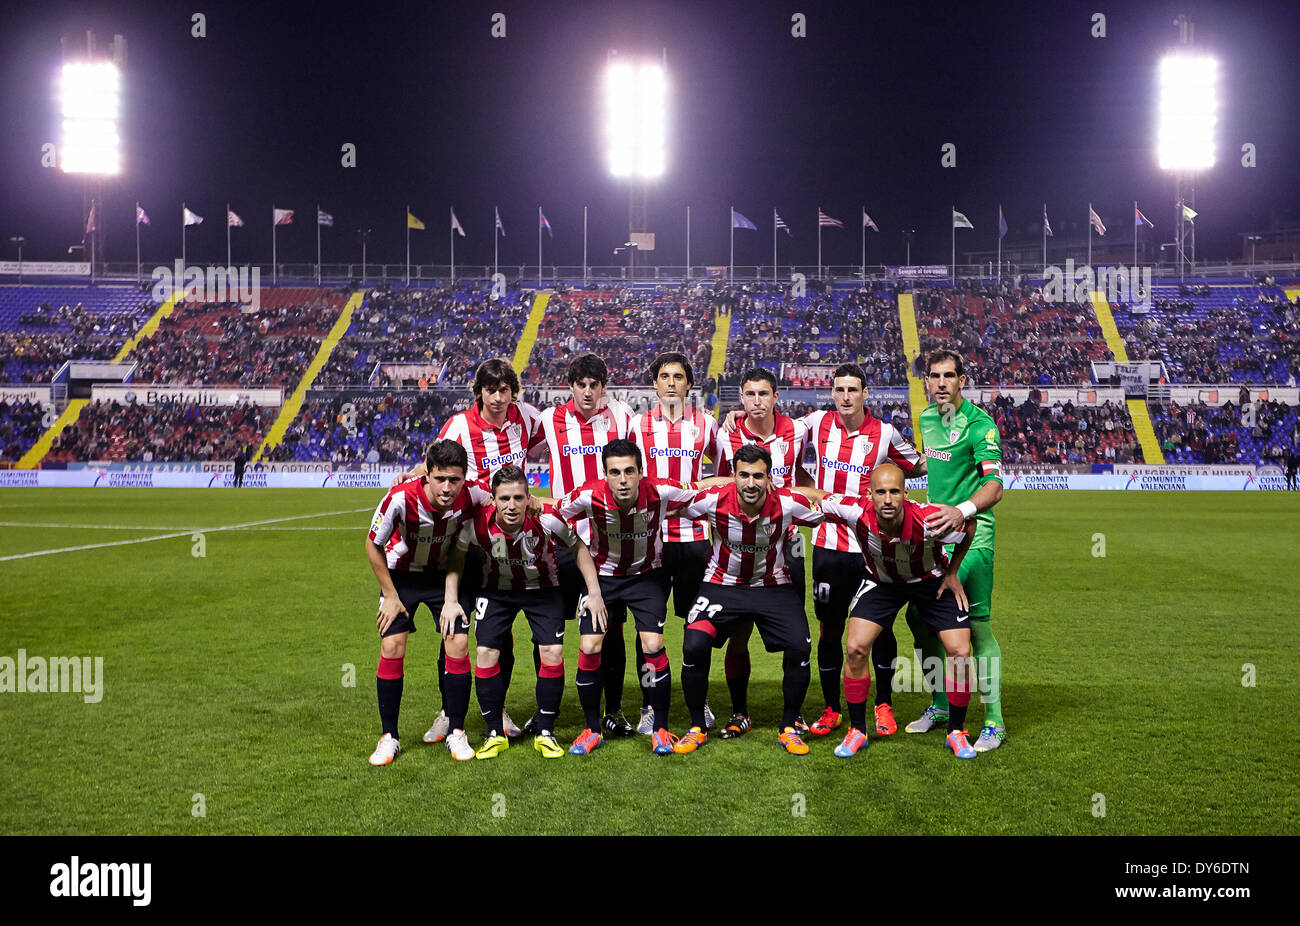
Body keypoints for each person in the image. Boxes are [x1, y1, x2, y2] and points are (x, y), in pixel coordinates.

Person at [404, 358, 545, 743]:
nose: (498, 398)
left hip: (506, 538)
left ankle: (496, 706)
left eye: (504, 390)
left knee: (501, 630)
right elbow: (435, 463)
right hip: (465, 538)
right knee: (455, 628)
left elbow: (564, 435)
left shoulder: (528, 419)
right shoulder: (460, 425)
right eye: (490, 390)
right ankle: (448, 713)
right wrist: (412, 476)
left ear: (512, 392)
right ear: (479, 392)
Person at [553, 439, 715, 755]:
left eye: (629, 471)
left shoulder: (661, 492)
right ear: (605, 475)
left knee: (652, 644)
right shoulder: (588, 496)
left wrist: (735, 480)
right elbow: (553, 512)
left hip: (646, 577)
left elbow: (705, 492)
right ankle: (592, 729)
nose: (623, 479)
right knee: (589, 645)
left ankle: (661, 728)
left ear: (641, 472)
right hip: (602, 579)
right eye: (615, 472)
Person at [670, 443, 825, 756]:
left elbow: (831, 511)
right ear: (733, 476)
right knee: (693, 645)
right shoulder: (713, 499)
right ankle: (698, 726)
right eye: (744, 475)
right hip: (721, 585)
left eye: (758, 476)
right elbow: (667, 503)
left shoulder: (789, 503)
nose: (750, 483)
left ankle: (788, 727)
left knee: (800, 646)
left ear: (770, 479)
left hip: (773, 586)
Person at [815, 464, 978, 759]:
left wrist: (953, 573)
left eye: (894, 492)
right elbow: (818, 495)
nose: (887, 499)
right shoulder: (855, 510)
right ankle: (857, 731)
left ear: (905, 493)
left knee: (960, 652)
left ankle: (957, 731)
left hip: (930, 582)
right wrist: (775, 490)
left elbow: (970, 525)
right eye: (880, 492)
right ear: (869, 494)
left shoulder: (929, 520)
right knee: (855, 648)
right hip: (882, 582)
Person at [450, 464, 607, 760]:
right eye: (505, 499)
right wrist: (450, 599)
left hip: (543, 590)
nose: (511, 506)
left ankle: (545, 732)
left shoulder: (546, 518)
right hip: (496, 591)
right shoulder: (477, 523)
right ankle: (494, 733)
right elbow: (457, 555)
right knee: (486, 654)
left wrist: (595, 593)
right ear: (492, 500)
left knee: (552, 652)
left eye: (518, 498)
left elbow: (579, 549)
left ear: (528, 497)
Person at [903, 348, 1007, 752]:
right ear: (926, 381)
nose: (941, 383)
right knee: (919, 616)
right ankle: (941, 704)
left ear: (962, 380)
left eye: (949, 376)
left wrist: (960, 511)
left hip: (973, 537)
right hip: (934, 540)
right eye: (934, 376)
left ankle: (994, 722)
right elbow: (931, 463)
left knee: (975, 626)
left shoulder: (981, 426)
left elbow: (995, 486)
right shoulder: (927, 419)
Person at [364, 440, 488, 766]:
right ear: (427, 475)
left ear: (464, 478)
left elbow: (505, 500)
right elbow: (372, 544)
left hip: (444, 576)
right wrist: (389, 595)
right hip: (401, 578)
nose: (447, 488)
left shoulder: (473, 494)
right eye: (440, 479)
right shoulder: (400, 497)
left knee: (458, 643)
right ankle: (389, 737)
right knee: (392, 646)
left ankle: (456, 731)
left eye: (454, 480)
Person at [534, 353, 637, 736]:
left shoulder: (623, 417)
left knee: (610, 629)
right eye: (581, 385)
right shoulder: (548, 419)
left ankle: (613, 710)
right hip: (561, 540)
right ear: (570, 386)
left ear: (604, 387)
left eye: (595, 385)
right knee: (548, 627)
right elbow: (508, 445)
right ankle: (548, 711)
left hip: (609, 541)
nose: (588, 392)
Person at [709, 367, 809, 739]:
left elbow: (805, 475)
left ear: (776, 397)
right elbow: (720, 482)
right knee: (738, 633)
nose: (756, 402)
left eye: (763, 394)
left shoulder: (797, 429)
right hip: (741, 542)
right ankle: (739, 712)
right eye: (749, 395)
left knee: (794, 633)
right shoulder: (727, 434)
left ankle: (793, 714)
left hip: (789, 542)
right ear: (742, 397)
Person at [628, 351, 721, 734]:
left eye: (678, 377)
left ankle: (698, 700)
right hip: (649, 542)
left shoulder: (706, 425)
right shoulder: (637, 425)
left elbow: (725, 475)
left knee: (697, 626)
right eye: (664, 376)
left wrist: (700, 487)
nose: (670, 382)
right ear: (654, 384)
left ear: (688, 384)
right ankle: (650, 705)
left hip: (695, 541)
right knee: (647, 627)